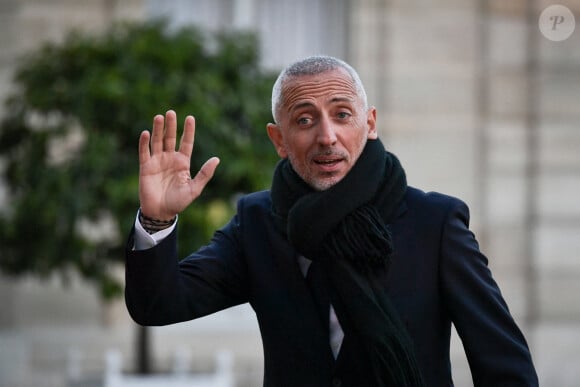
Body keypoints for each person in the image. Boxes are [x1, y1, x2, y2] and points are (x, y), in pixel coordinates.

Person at [125, 55, 538, 386]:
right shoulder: (257, 223)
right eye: (305, 120)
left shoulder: (436, 223)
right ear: (279, 140)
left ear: (369, 123)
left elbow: (504, 366)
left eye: (342, 114)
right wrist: (157, 220)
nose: (327, 136)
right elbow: (159, 304)